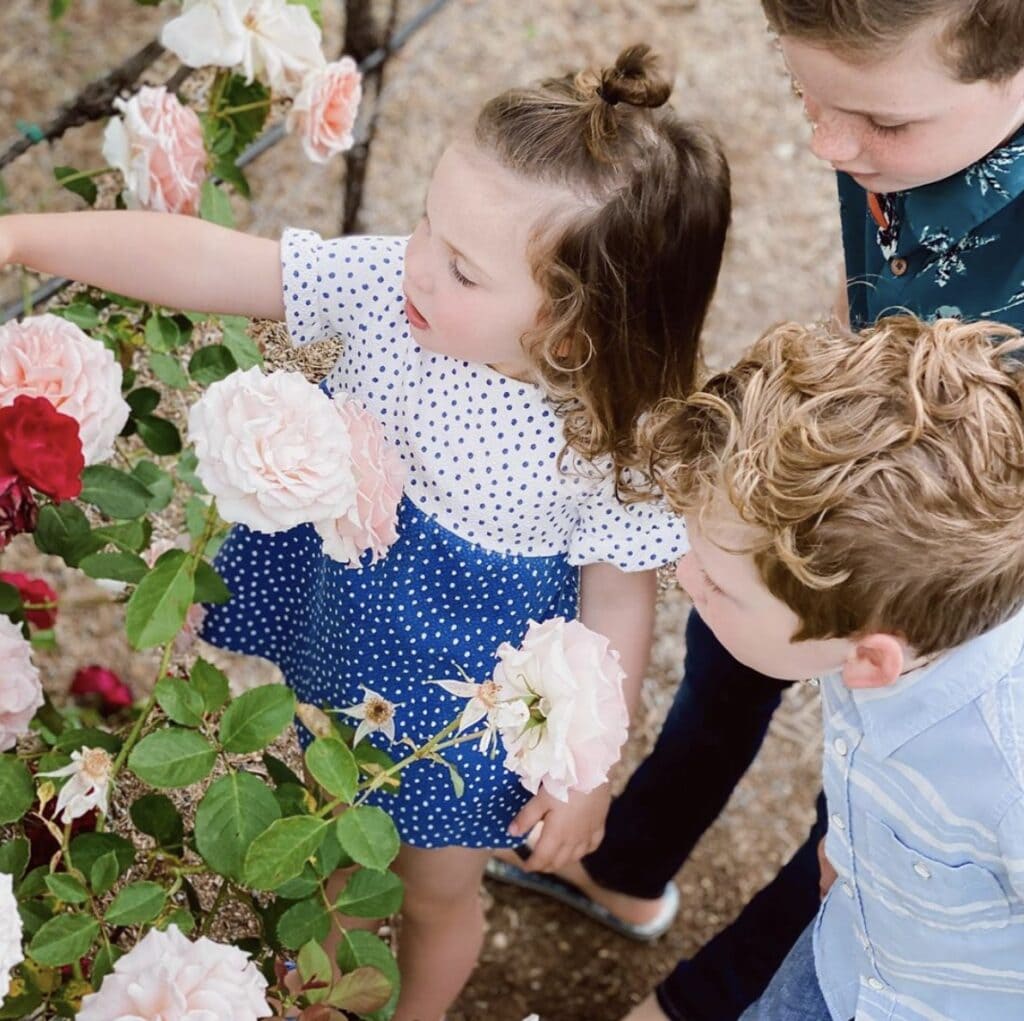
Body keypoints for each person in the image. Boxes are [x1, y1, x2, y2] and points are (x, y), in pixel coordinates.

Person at [0, 46, 731, 1021]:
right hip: (353, 615)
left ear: (574, 331)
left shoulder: (610, 433)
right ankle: (327, 983)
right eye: (427, 220)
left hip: (467, 700)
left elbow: (616, 602)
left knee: (433, 886)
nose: (418, 260)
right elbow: (216, 262)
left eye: (462, 267)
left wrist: (587, 774)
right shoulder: (394, 287)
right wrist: (20, 237)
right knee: (335, 817)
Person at [490, 4, 1024, 1017]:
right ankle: (630, 858)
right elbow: (870, 277)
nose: (825, 144)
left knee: (876, 816)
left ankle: (706, 998)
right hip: (832, 479)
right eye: (802, 96)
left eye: (878, 122)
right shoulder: (893, 105)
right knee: (731, 640)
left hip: (951, 581)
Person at [662, 314, 1024, 1020]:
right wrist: (848, 847)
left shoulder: (1009, 767)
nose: (684, 574)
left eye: (719, 584)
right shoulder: (881, 622)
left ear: (869, 659)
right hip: (842, 956)